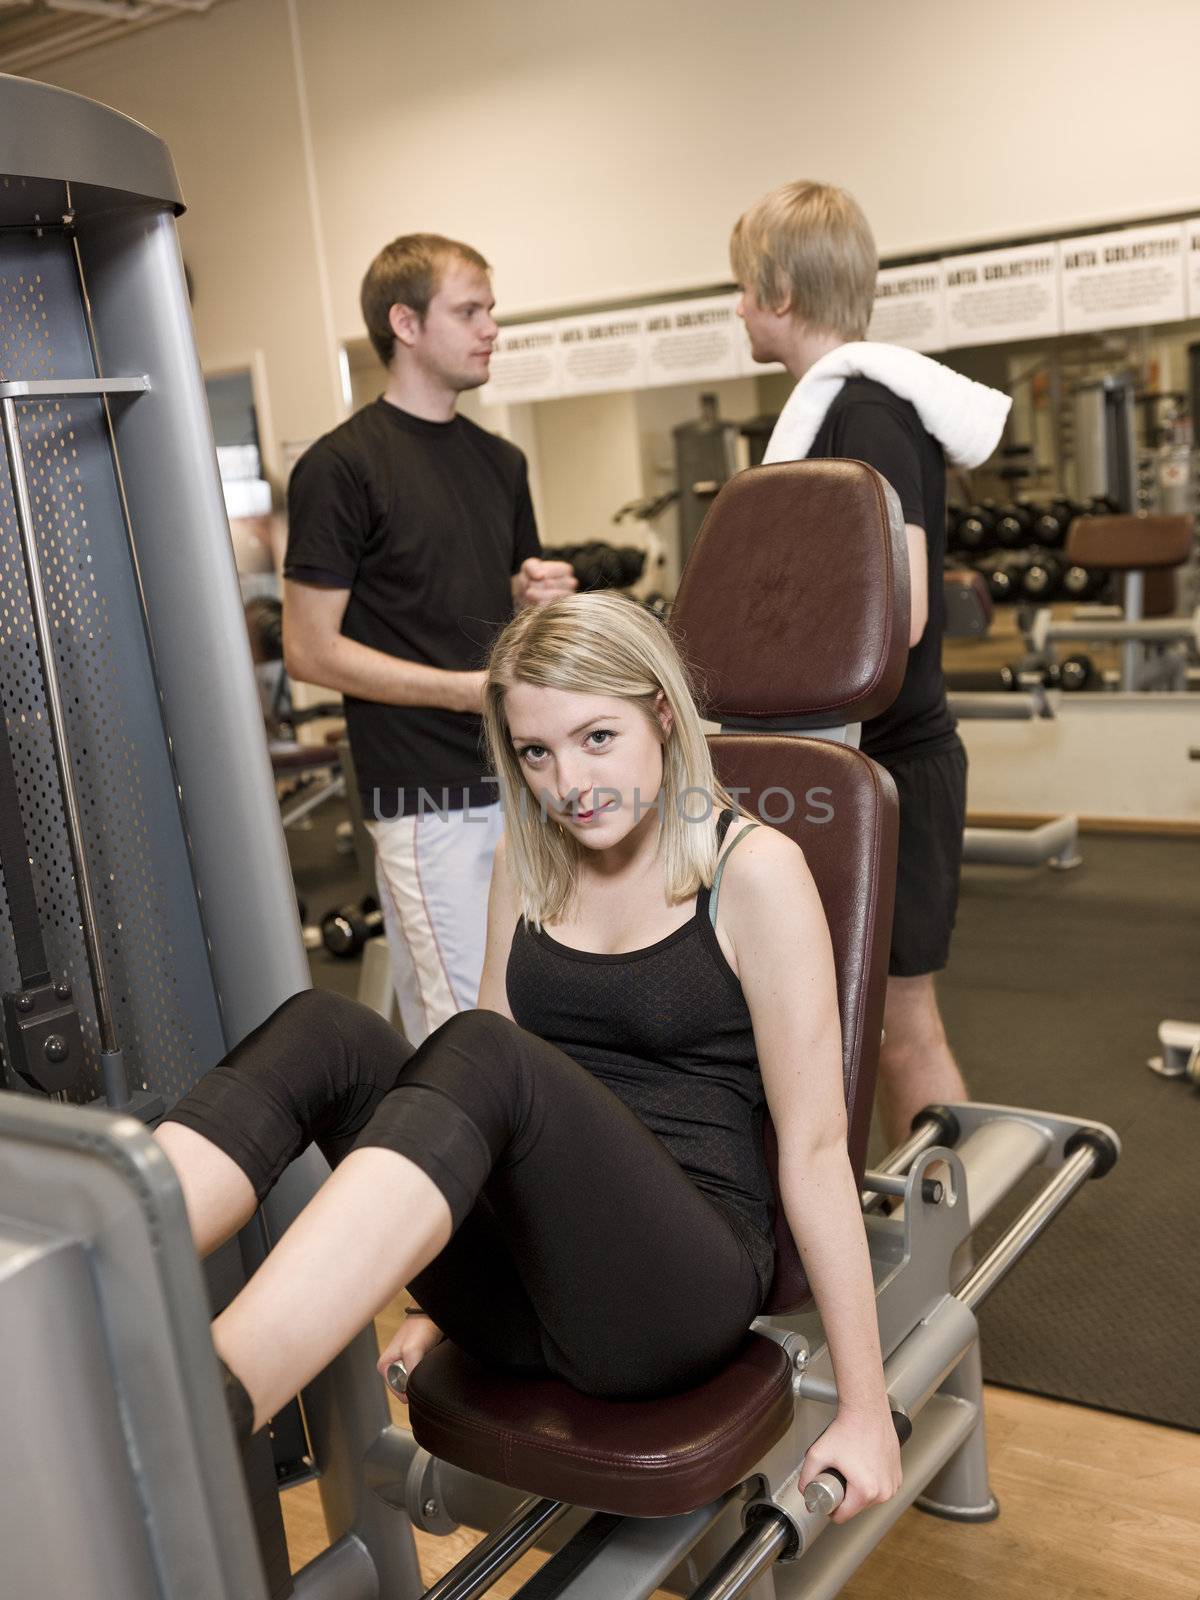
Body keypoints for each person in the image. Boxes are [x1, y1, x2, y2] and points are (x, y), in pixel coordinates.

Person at [156, 591, 901, 1523]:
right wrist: (433, 1280)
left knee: (481, 1049)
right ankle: (98, 1273)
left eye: (597, 738)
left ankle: (196, 1413)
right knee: (330, 1030)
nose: (569, 783)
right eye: (537, 753)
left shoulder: (751, 871)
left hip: (671, 1297)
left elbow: (817, 1149)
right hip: (525, 1293)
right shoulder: (533, 856)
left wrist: (867, 1408)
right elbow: (473, 1116)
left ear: (663, 716)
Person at [730, 180, 1009, 1150]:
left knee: (899, 1028)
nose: (735, 309)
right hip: (847, 766)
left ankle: (947, 1265)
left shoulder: (869, 412)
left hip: (894, 766)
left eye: (739, 288)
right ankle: (883, 1243)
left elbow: (907, 605)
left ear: (776, 289)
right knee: (850, 1026)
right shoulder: (837, 413)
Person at [282, 232, 575, 1046]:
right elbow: (310, 649)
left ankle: (426, 1170)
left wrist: (534, 595)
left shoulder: (501, 461)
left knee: (453, 1028)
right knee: (482, 1037)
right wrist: (459, 687)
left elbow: (498, 609)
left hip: (514, 781)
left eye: (492, 311)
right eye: (470, 311)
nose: (491, 328)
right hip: (424, 797)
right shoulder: (342, 467)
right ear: (404, 324)